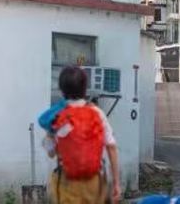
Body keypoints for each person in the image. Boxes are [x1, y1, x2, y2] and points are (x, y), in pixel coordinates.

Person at [38, 65, 121, 204]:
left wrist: (51, 138)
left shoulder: (58, 117)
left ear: (62, 90)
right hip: (94, 182)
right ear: (84, 88)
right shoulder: (97, 113)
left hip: (67, 182)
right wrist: (116, 183)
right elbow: (111, 147)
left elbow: (51, 153)